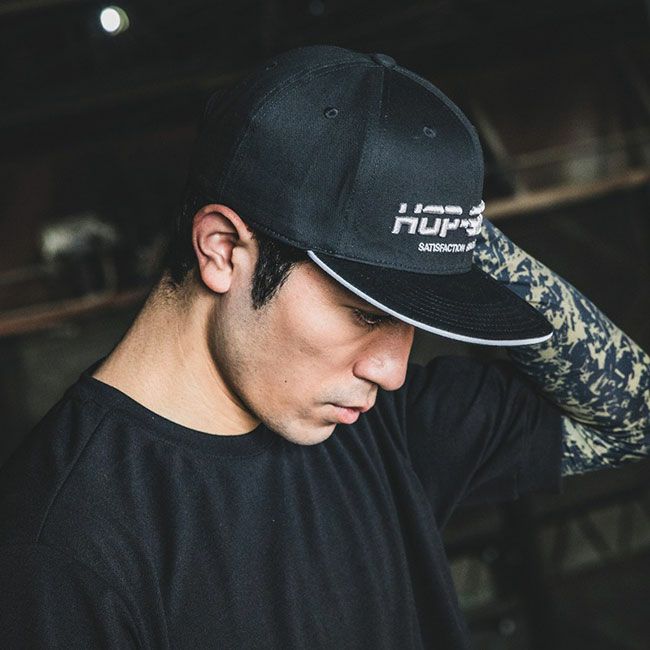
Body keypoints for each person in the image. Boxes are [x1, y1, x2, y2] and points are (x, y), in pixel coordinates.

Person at [0, 45, 648, 649]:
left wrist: (450, 231)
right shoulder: (62, 548)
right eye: (363, 314)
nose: (393, 371)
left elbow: (632, 416)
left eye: (412, 322)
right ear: (222, 250)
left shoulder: (379, 425)